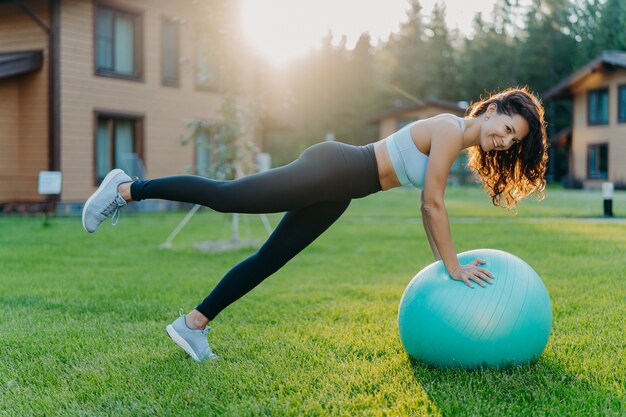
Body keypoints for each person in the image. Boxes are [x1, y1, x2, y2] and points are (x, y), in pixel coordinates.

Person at [82, 86, 548, 362]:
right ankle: (127, 189)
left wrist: (443, 266)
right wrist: (454, 267)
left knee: (269, 259)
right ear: (491, 110)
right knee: (228, 197)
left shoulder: (456, 140)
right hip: (334, 168)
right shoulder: (449, 129)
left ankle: (194, 323)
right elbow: (432, 205)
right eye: (506, 127)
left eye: (513, 140)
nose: (504, 141)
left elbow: (428, 211)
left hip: (341, 190)